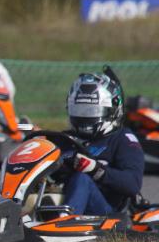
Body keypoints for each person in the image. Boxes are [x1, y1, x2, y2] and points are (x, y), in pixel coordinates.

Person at [61, 72, 144, 215]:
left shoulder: (123, 139)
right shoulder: (65, 138)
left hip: (106, 212)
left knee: (82, 178)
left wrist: (96, 170)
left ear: (112, 110)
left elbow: (132, 184)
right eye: (80, 111)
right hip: (65, 200)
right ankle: (18, 216)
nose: (84, 117)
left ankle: (64, 222)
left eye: (91, 111)